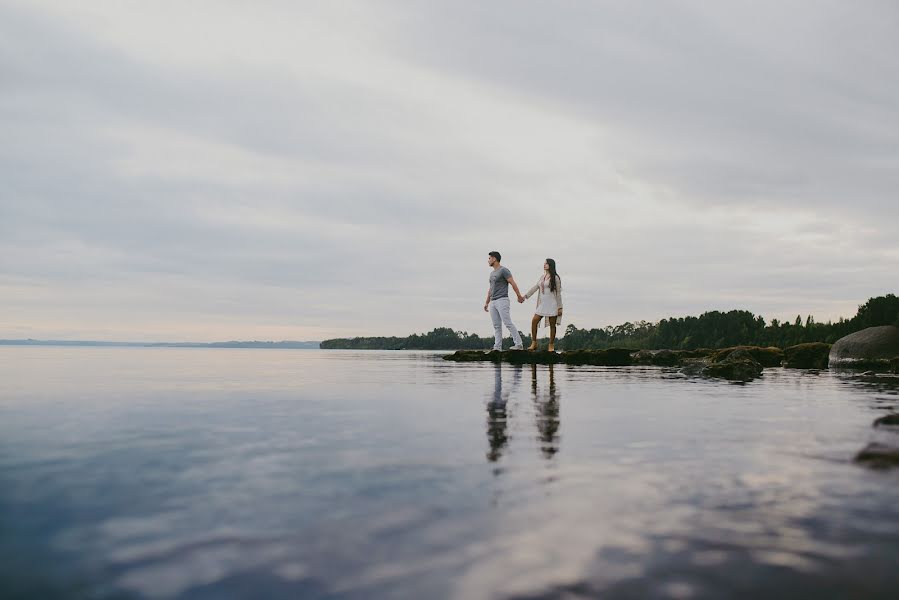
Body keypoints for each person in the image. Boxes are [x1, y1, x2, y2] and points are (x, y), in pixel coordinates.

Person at [484, 251, 525, 351]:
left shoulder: (504, 270)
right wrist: (487, 302)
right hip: (493, 302)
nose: (488, 260)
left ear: (494, 259)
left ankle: (519, 344)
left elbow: (512, 282)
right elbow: (490, 289)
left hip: (502, 300)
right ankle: (497, 347)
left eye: (489, 258)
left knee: (507, 322)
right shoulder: (492, 273)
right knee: (497, 326)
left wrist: (519, 295)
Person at [521, 258, 563, 352]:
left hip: (552, 304)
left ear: (550, 265)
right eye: (544, 263)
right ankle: (534, 343)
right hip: (542, 304)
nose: (544, 265)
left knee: (552, 325)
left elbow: (558, 293)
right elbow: (535, 287)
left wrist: (560, 307)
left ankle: (551, 345)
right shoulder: (542, 277)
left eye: (546, 263)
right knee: (534, 321)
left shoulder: (555, 277)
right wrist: (525, 296)